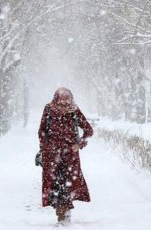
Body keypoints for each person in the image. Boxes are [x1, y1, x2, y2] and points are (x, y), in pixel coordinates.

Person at [38, 87, 93, 225]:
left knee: (67, 185)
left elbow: (88, 131)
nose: (63, 107)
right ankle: (61, 211)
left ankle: (64, 213)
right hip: (52, 156)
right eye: (61, 103)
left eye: (66, 104)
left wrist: (79, 144)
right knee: (54, 185)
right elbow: (42, 131)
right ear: (56, 100)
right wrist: (45, 148)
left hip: (70, 157)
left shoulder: (74, 111)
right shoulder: (48, 109)